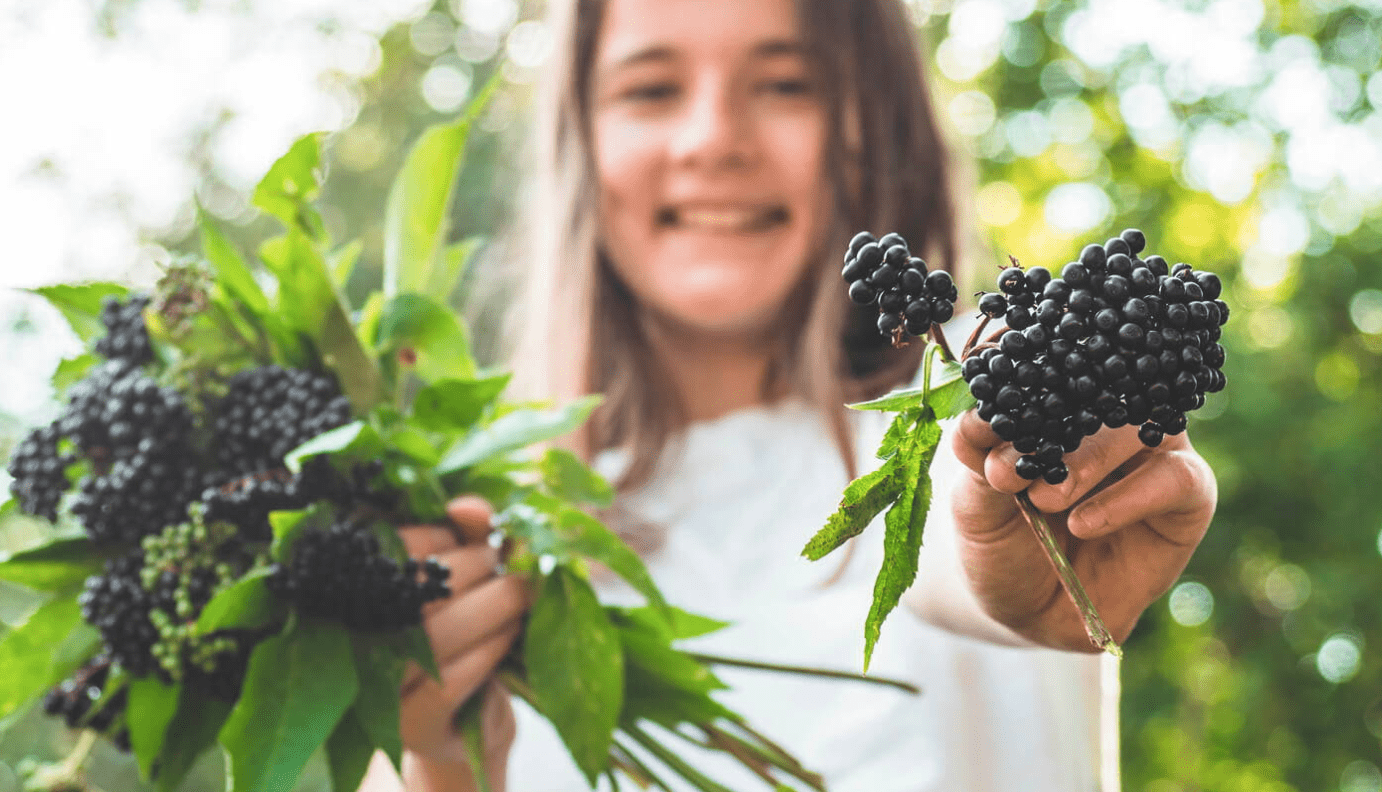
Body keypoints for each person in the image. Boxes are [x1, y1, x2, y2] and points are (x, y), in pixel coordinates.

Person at [362, 0, 1218, 789]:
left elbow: (955, 517)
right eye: (652, 88)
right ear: (581, 139)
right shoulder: (499, 534)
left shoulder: (962, 372)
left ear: (873, 128)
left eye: (786, 84)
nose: (714, 139)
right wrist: (441, 757)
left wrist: (1039, 526)